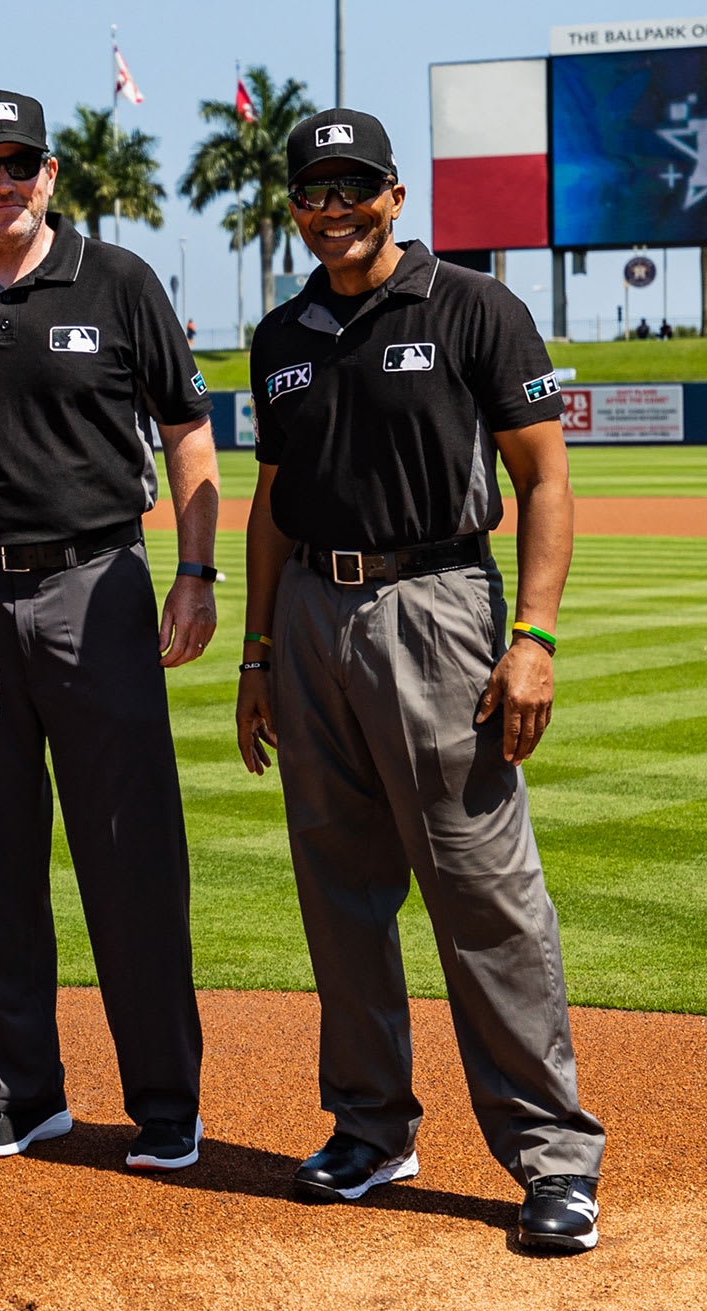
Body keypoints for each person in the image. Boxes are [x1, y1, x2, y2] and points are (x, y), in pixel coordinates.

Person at [237, 109, 605, 1252]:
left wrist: (532, 633)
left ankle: (550, 1154)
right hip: (308, 611)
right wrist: (254, 652)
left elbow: (543, 477)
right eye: (313, 192)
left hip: (436, 605)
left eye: (353, 188)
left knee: (480, 889)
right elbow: (269, 495)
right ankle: (368, 1126)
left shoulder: (471, 306)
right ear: (293, 207)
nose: (332, 208)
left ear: (394, 196)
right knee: (338, 891)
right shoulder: (279, 332)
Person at [0, 89, 218, 1172]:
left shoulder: (120, 280)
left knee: (131, 855)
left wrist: (195, 569)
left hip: (100, 587)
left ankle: (165, 1101)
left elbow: (186, 435)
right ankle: (22, 1092)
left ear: (49, 174)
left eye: (21, 163)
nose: (4, 183)